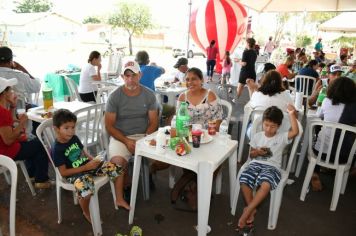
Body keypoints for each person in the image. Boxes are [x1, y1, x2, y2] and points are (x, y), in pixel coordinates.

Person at [52, 109, 123, 223]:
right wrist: (86, 168)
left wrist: (94, 160)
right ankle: (85, 211)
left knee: (115, 169)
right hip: (73, 174)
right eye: (66, 128)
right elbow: (63, 172)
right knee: (87, 191)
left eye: (73, 127)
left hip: (87, 166)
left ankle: (119, 198)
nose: (71, 131)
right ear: (56, 129)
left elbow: (84, 153)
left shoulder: (74, 138)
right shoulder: (57, 149)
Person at [105, 60, 158, 210]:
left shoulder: (149, 95)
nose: (130, 79)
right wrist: (126, 140)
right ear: (122, 77)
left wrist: (145, 138)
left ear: (140, 75)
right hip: (120, 136)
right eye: (127, 76)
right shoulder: (115, 96)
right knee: (116, 163)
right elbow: (109, 125)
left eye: (133, 75)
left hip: (143, 135)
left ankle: (147, 173)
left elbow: (153, 121)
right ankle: (119, 198)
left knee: (164, 158)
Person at [237, 105, 299, 230]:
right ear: (262, 123)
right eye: (266, 125)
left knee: (266, 184)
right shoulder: (257, 136)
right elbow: (251, 154)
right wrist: (257, 152)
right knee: (244, 179)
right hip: (255, 164)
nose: (269, 129)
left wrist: (292, 114)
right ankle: (252, 210)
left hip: (272, 167)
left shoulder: (282, 137)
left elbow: (295, 131)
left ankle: (248, 210)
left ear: (279, 126)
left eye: (273, 126)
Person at [0, 77, 50, 188]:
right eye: (10, 90)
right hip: (5, 152)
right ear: (4, 94)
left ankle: (32, 175)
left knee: (31, 140)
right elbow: (8, 140)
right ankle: (42, 180)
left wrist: (13, 106)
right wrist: (22, 123)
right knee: (39, 144)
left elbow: (9, 121)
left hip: (3, 148)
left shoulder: (3, 110)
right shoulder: (2, 112)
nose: (13, 91)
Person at [311, 77, 356, 191]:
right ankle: (347, 170)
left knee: (322, 133)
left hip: (320, 152)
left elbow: (319, 117)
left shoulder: (326, 101)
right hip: (342, 156)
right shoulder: (353, 107)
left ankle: (316, 172)